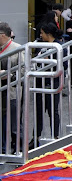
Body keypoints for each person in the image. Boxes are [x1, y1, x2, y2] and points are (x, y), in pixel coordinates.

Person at [33, 22, 66, 144]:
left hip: (52, 82)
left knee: (53, 110)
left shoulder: (59, 46)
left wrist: (50, 61)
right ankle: (36, 137)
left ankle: (55, 136)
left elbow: (64, 65)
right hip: (39, 81)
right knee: (38, 111)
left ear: (48, 34)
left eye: (42, 33)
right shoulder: (39, 44)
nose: (40, 35)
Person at [0, 22, 22, 153]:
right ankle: (3, 148)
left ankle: (17, 148)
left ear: (2, 35)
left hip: (12, 91)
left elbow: (25, 71)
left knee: (14, 122)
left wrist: (9, 75)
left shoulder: (18, 49)